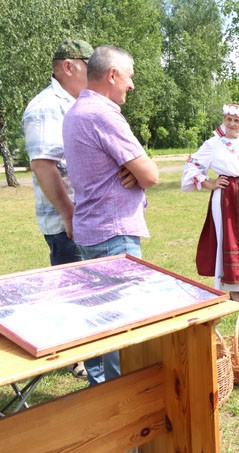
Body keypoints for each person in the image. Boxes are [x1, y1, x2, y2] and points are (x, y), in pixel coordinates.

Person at [62, 44, 159, 385]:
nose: (131, 86)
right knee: (124, 331)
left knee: (101, 322)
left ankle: (104, 398)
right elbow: (150, 174)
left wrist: (133, 169)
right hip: (113, 235)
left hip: (92, 231)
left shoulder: (76, 111)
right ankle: (126, 415)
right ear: (113, 75)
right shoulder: (103, 114)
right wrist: (138, 171)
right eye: (129, 77)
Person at [22, 38, 94, 381]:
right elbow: (43, 165)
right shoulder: (47, 106)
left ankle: (90, 351)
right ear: (68, 66)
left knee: (92, 286)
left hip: (85, 216)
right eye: (87, 65)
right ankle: (81, 357)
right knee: (77, 287)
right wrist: (69, 214)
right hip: (70, 219)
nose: (92, 72)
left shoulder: (75, 103)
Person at [181, 104, 239, 302]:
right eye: (229, 119)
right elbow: (192, 165)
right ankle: (234, 291)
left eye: (237, 121)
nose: (232, 124)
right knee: (230, 238)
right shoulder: (213, 144)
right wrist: (210, 183)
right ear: (224, 120)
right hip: (227, 196)